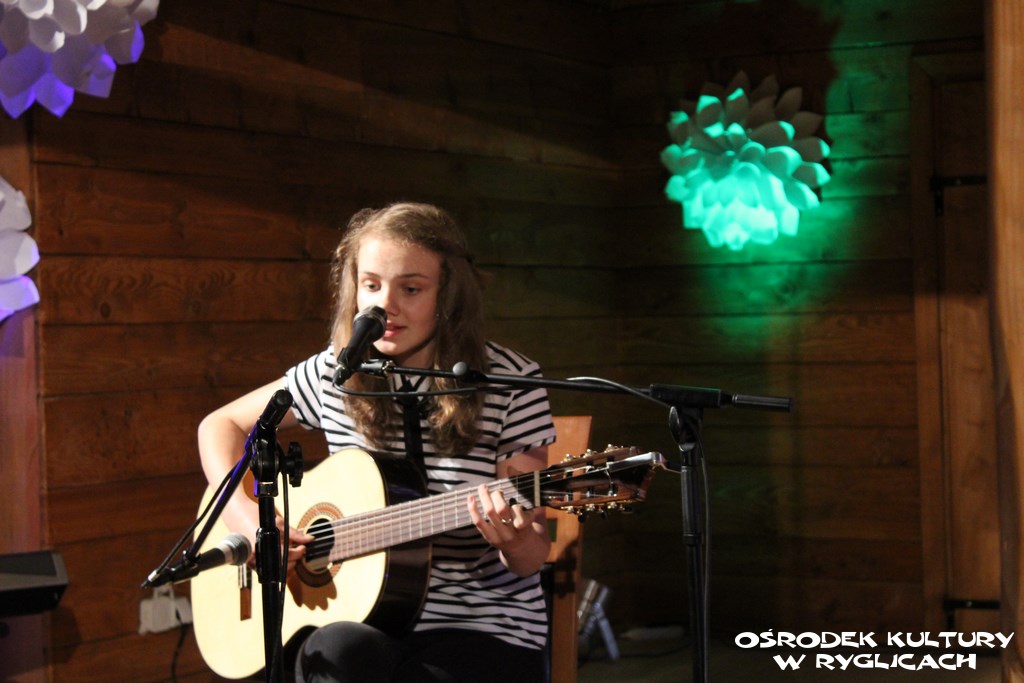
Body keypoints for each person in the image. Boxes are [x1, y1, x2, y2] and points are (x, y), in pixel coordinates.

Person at [197, 202, 556, 682]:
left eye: (411, 288)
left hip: (482, 626)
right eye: (371, 285)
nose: (385, 305)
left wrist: (515, 539)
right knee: (330, 652)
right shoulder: (334, 373)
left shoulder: (509, 382)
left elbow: (531, 556)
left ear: (449, 294)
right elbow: (219, 425)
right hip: (362, 617)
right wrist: (246, 518)